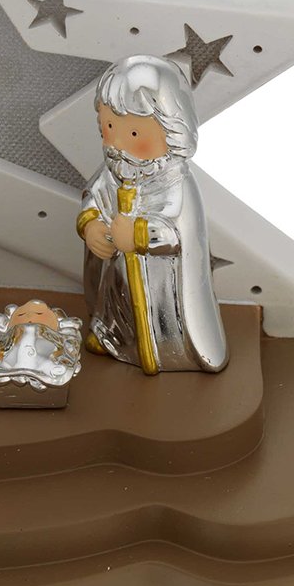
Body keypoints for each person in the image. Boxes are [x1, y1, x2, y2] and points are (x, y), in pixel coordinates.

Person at [77, 55, 228, 374]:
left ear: (171, 131)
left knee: (156, 314)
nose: (118, 143)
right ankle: (112, 338)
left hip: (159, 283)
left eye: (133, 134)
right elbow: (93, 196)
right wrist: (92, 225)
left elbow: (177, 230)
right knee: (115, 302)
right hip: (116, 273)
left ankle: (168, 350)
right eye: (108, 127)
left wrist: (139, 234)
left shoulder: (175, 182)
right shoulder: (114, 171)